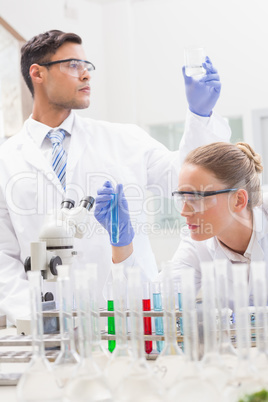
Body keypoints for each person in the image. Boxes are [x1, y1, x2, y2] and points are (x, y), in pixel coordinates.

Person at [0, 29, 230, 324]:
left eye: (87, 66)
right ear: (38, 73)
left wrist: (200, 115)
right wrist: (30, 316)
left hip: (130, 315)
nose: (86, 75)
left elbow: (184, 180)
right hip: (50, 327)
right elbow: (4, 256)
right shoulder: (7, 160)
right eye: (73, 65)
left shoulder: (125, 139)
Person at [170, 141, 267, 306]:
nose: (184, 212)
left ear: (238, 200)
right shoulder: (194, 245)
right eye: (183, 198)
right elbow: (159, 302)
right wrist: (124, 249)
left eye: (196, 198)